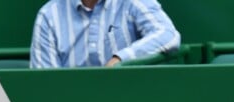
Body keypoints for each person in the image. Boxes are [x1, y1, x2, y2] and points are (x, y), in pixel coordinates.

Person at [30, 0, 181, 69]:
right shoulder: (49, 14)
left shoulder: (133, 2)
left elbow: (168, 35)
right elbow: (45, 80)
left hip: (130, 99)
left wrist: (120, 59)